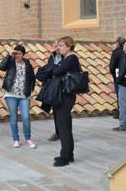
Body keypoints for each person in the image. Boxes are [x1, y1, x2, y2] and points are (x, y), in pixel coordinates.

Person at [52, 36, 82, 167]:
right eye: (58, 45)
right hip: (66, 95)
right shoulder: (68, 58)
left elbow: (56, 70)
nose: (59, 48)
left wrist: (56, 61)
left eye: (61, 46)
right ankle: (69, 154)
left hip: (66, 96)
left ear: (69, 46)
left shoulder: (71, 58)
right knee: (66, 125)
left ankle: (64, 157)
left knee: (62, 126)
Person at [0, 45, 36, 148]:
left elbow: (32, 78)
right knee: (13, 117)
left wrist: (31, 89)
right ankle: (16, 139)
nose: (17, 55)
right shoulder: (10, 62)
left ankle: (28, 139)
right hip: (10, 94)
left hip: (24, 95)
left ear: (23, 54)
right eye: (16, 53)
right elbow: (1, 67)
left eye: (19, 53)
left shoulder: (28, 64)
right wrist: (9, 55)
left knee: (25, 117)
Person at [45, 41, 62, 142]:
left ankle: (65, 132)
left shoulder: (67, 57)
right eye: (55, 46)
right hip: (54, 87)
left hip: (63, 87)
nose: (56, 48)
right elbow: (49, 69)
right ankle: (57, 133)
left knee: (64, 112)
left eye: (58, 46)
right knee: (55, 111)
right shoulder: (52, 56)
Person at [109, 37, 126, 120]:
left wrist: (114, 75)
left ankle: (121, 113)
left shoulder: (116, 53)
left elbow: (112, 66)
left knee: (119, 95)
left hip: (118, 77)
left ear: (118, 43)